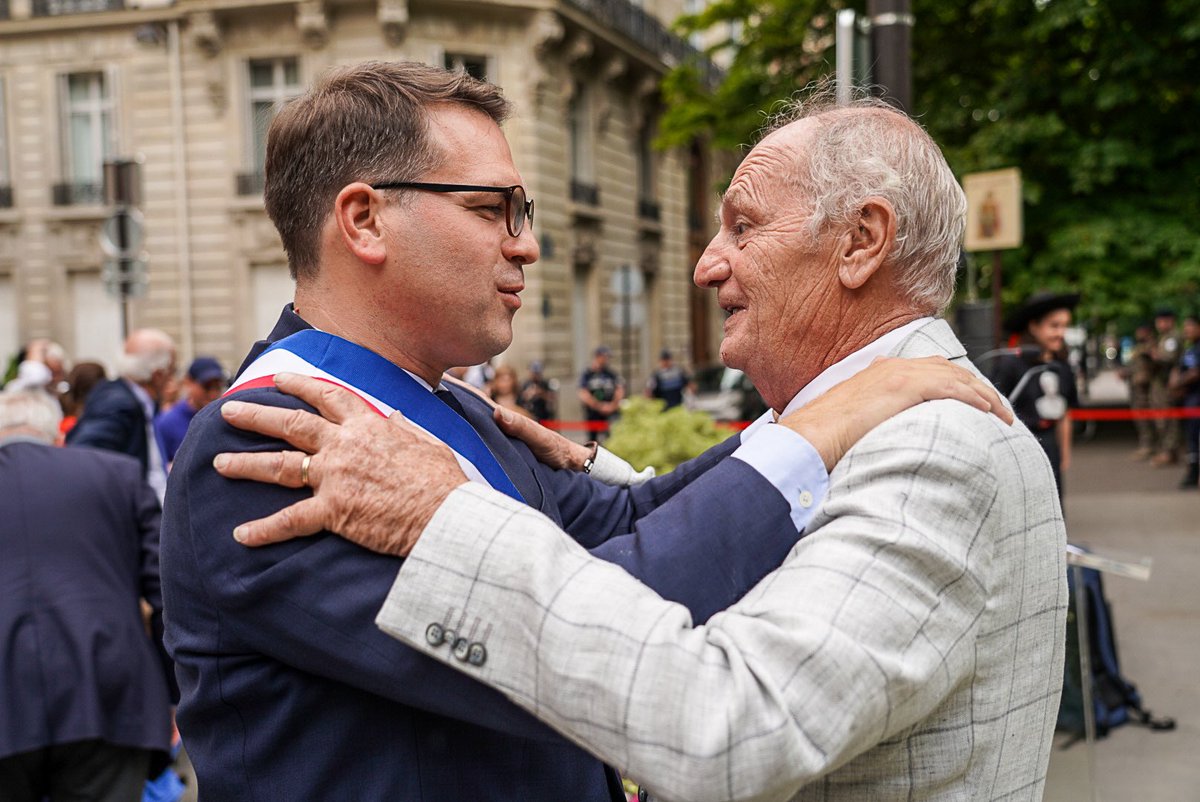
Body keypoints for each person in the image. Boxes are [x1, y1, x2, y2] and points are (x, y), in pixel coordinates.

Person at [162, 62, 1006, 802]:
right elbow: (626, 608)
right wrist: (828, 423)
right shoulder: (268, 443)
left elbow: (627, 523)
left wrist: (812, 416)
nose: (526, 246)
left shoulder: (449, 407)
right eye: (493, 209)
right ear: (364, 220)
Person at [0, 390, 174, 802]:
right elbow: (169, 592)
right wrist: (176, 692)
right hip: (108, 691)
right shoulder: (117, 474)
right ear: (58, 436)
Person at [65, 328, 177, 503]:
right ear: (158, 375)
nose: (172, 380)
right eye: (172, 371)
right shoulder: (119, 404)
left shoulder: (136, 400)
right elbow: (82, 454)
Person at [987, 291, 1080, 500]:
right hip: (1019, 444)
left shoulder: (1062, 366)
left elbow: (1065, 414)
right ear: (1034, 326)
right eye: (1054, 326)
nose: (1061, 333)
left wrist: (1064, 454)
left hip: (1050, 444)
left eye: (1065, 326)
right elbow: (993, 410)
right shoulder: (1010, 364)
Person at [154, 356, 228, 464]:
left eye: (217, 387)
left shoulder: (225, 417)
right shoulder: (167, 422)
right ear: (188, 382)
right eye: (207, 386)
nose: (213, 394)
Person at [1149, 308, 1181, 466]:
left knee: (1167, 419)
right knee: (1161, 417)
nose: (1160, 324)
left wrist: (1155, 355)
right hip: (1160, 383)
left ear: (1170, 321)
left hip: (1167, 383)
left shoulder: (1172, 338)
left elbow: (1168, 358)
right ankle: (1166, 450)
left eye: (1162, 321)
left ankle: (1169, 452)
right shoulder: (1164, 337)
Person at [1123, 323, 1157, 459]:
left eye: (1141, 331)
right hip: (1137, 387)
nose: (1138, 334)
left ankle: (1149, 446)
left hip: (1147, 388)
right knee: (1141, 417)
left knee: (1146, 417)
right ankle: (1146, 445)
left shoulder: (1152, 346)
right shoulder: (1139, 347)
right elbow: (1135, 366)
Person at [1173, 315, 1200, 489]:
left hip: (1197, 400)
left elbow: (1195, 372)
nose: (1187, 330)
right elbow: (1181, 368)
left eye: (1191, 326)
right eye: (1185, 327)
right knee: (1192, 439)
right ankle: (1193, 472)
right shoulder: (1190, 349)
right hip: (1190, 400)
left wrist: (1178, 382)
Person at [579, 345, 624, 435]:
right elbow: (583, 393)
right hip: (593, 411)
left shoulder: (611, 374)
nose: (606, 360)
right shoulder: (588, 374)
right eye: (604, 357)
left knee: (610, 435)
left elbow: (619, 390)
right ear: (598, 356)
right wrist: (599, 406)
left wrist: (612, 406)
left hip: (610, 411)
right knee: (593, 437)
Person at [4, 338, 68, 393]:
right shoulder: (18, 387)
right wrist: (35, 351)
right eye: (52, 372)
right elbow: (36, 377)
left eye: (58, 373)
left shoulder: (62, 387)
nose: (54, 378)